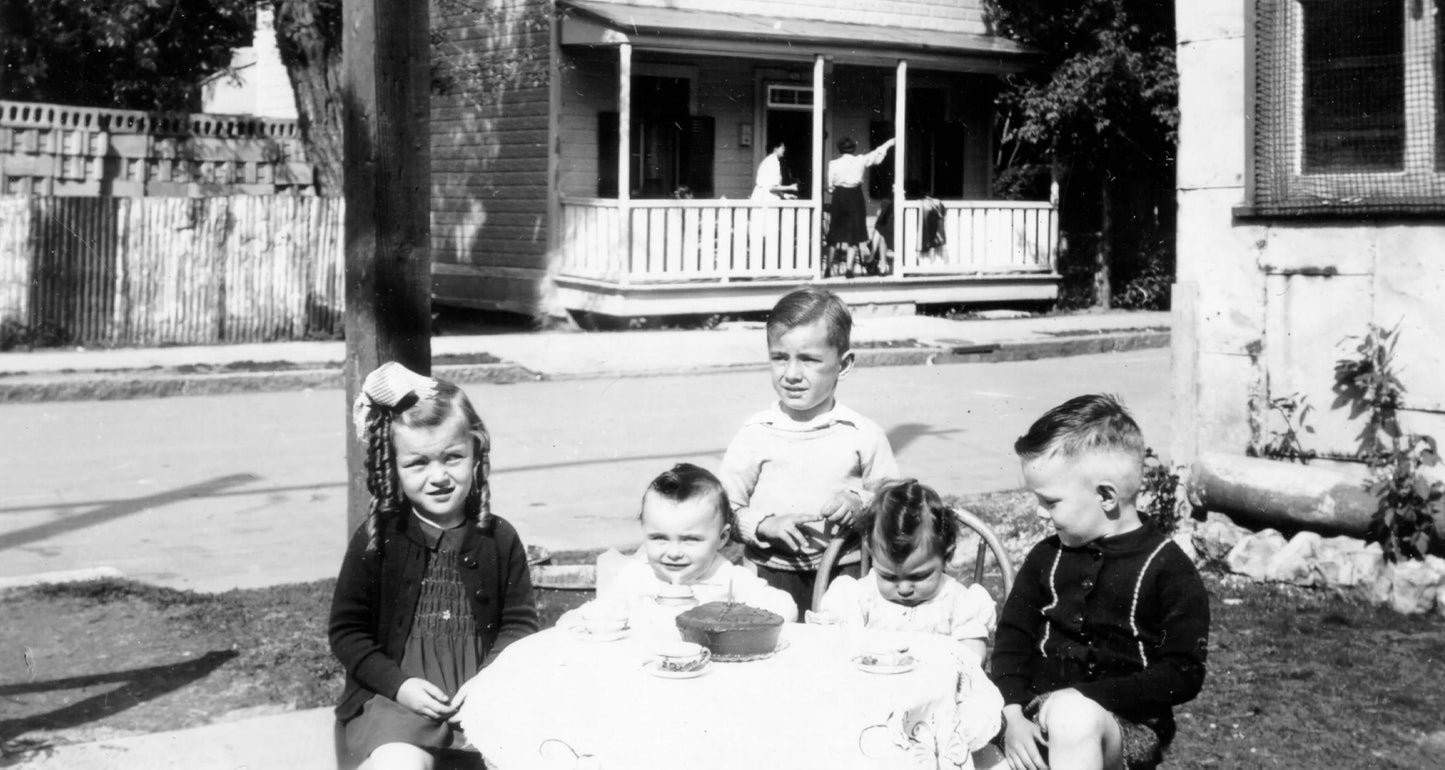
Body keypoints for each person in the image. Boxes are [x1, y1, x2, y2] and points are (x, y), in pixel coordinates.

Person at [331, 362, 539, 770]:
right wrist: (400, 685)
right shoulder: (379, 538)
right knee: (399, 765)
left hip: (479, 696)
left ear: (476, 452)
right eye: (418, 463)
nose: (439, 476)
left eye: (453, 457)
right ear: (394, 466)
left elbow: (520, 626)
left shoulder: (498, 537)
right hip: (396, 703)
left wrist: (488, 682)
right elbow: (347, 631)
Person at [991, 394, 1209, 770]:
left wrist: (1080, 696)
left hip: (1120, 730)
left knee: (1072, 718)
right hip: (1031, 719)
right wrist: (1012, 716)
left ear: (1106, 496)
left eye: (1051, 501)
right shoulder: (1047, 556)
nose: (1040, 513)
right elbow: (1012, 641)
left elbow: (1181, 674)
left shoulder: (1168, 569)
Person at [718, 287, 899, 614]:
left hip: (845, 574)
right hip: (767, 574)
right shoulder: (756, 433)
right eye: (779, 358)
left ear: (843, 365)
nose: (791, 374)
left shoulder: (862, 435)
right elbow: (724, 507)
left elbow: (894, 499)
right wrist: (761, 525)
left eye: (809, 360)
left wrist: (860, 501)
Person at [562, 464, 798, 629]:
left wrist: (740, 622)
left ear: (723, 537)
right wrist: (580, 619)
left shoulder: (729, 580)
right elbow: (600, 610)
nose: (673, 553)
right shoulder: (636, 575)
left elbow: (784, 607)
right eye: (659, 538)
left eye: (690, 539)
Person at [816, 478, 997, 667]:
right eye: (888, 576)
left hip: (936, 690)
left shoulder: (959, 603)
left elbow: (972, 659)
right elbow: (836, 648)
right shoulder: (860, 597)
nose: (904, 589)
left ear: (946, 553)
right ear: (871, 551)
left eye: (919, 576)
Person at [826, 136, 895, 277]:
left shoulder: (833, 163)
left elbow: (830, 185)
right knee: (854, 233)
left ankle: (828, 269)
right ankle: (849, 270)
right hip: (855, 195)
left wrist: (831, 189)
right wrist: (889, 143)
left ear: (840, 150)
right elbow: (877, 153)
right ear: (853, 149)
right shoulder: (860, 160)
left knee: (834, 232)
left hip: (839, 196)